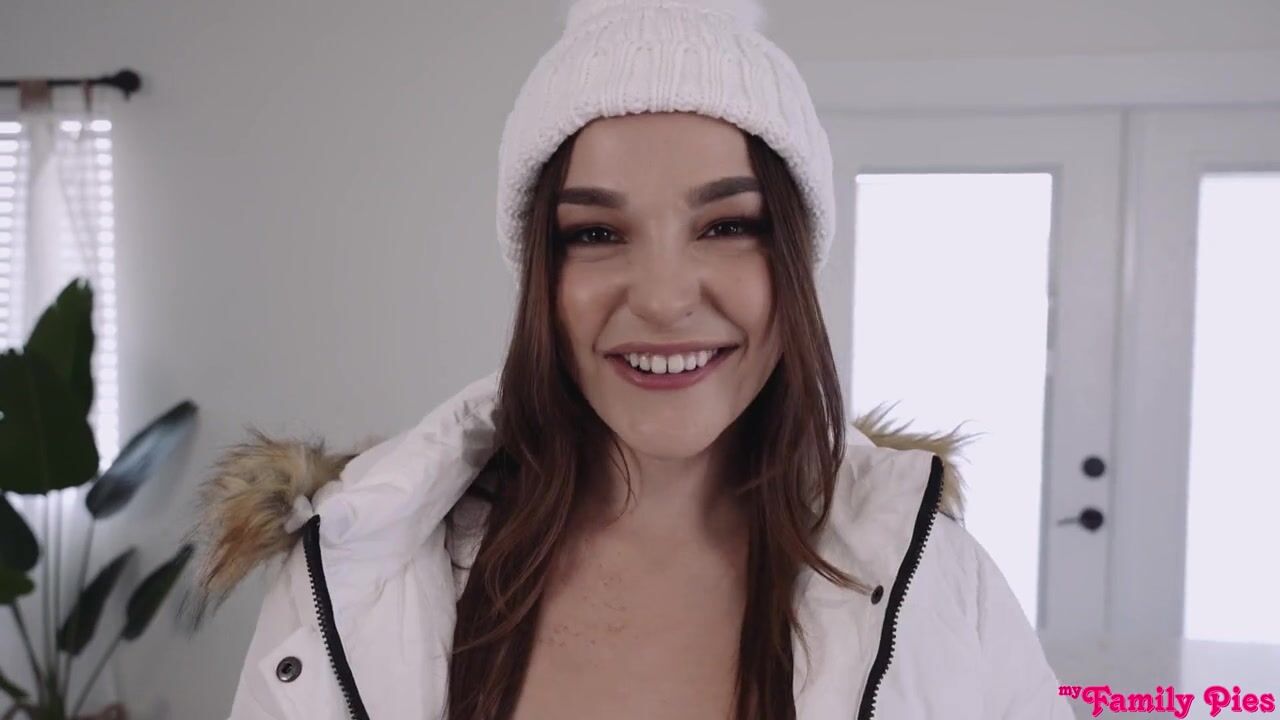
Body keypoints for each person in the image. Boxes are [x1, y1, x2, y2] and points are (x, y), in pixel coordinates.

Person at [185, 0, 1075, 718]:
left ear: (795, 261)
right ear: (542, 275)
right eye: (596, 233)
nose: (662, 298)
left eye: (728, 225)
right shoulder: (357, 572)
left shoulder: (942, 585)